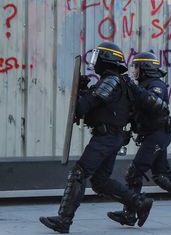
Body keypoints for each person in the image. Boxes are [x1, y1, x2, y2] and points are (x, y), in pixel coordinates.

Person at [39, 42, 153, 233]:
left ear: (106, 60)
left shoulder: (111, 81)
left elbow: (85, 107)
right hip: (112, 137)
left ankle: (63, 220)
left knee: (79, 173)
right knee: (100, 181)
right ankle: (140, 203)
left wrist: (80, 93)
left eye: (97, 57)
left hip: (105, 137)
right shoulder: (118, 81)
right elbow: (97, 104)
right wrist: (84, 91)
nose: (95, 62)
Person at [106, 51, 171, 227]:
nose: (134, 71)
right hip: (152, 135)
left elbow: (152, 103)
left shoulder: (156, 84)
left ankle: (130, 213)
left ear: (146, 68)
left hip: (158, 134)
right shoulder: (142, 84)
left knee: (134, 172)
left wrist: (134, 90)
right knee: (161, 175)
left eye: (137, 66)